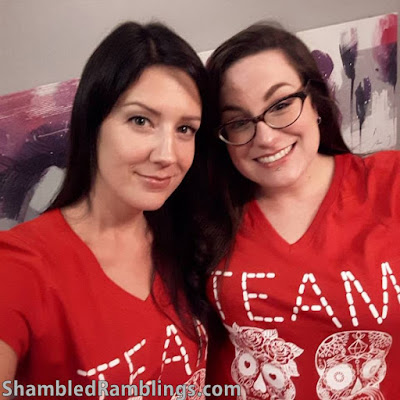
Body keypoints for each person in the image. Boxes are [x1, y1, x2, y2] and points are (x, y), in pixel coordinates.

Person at [0, 21, 210, 399]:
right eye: (140, 120)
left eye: (185, 129)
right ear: (93, 123)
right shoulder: (21, 264)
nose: (168, 155)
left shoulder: (188, 241)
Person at [203, 22, 400, 399]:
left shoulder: (390, 183)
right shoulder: (205, 216)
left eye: (281, 105)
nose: (266, 137)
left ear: (315, 102)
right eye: (239, 122)